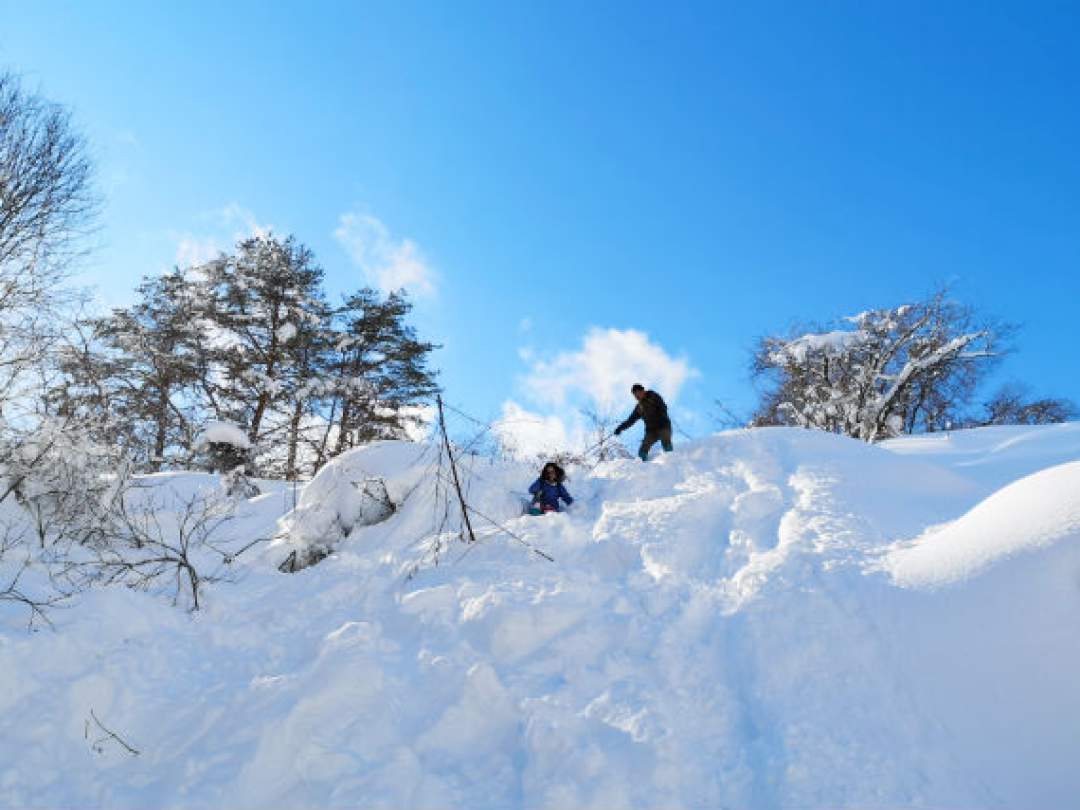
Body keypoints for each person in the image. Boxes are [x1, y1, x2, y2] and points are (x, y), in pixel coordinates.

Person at [614, 383, 673, 461]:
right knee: (643, 448)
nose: (636, 397)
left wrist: (660, 414)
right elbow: (630, 420)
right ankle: (642, 465)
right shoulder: (639, 407)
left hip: (663, 426)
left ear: (643, 391)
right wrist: (620, 428)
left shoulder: (653, 396)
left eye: (637, 393)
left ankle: (671, 459)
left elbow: (663, 406)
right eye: (634, 395)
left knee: (665, 440)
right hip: (651, 431)